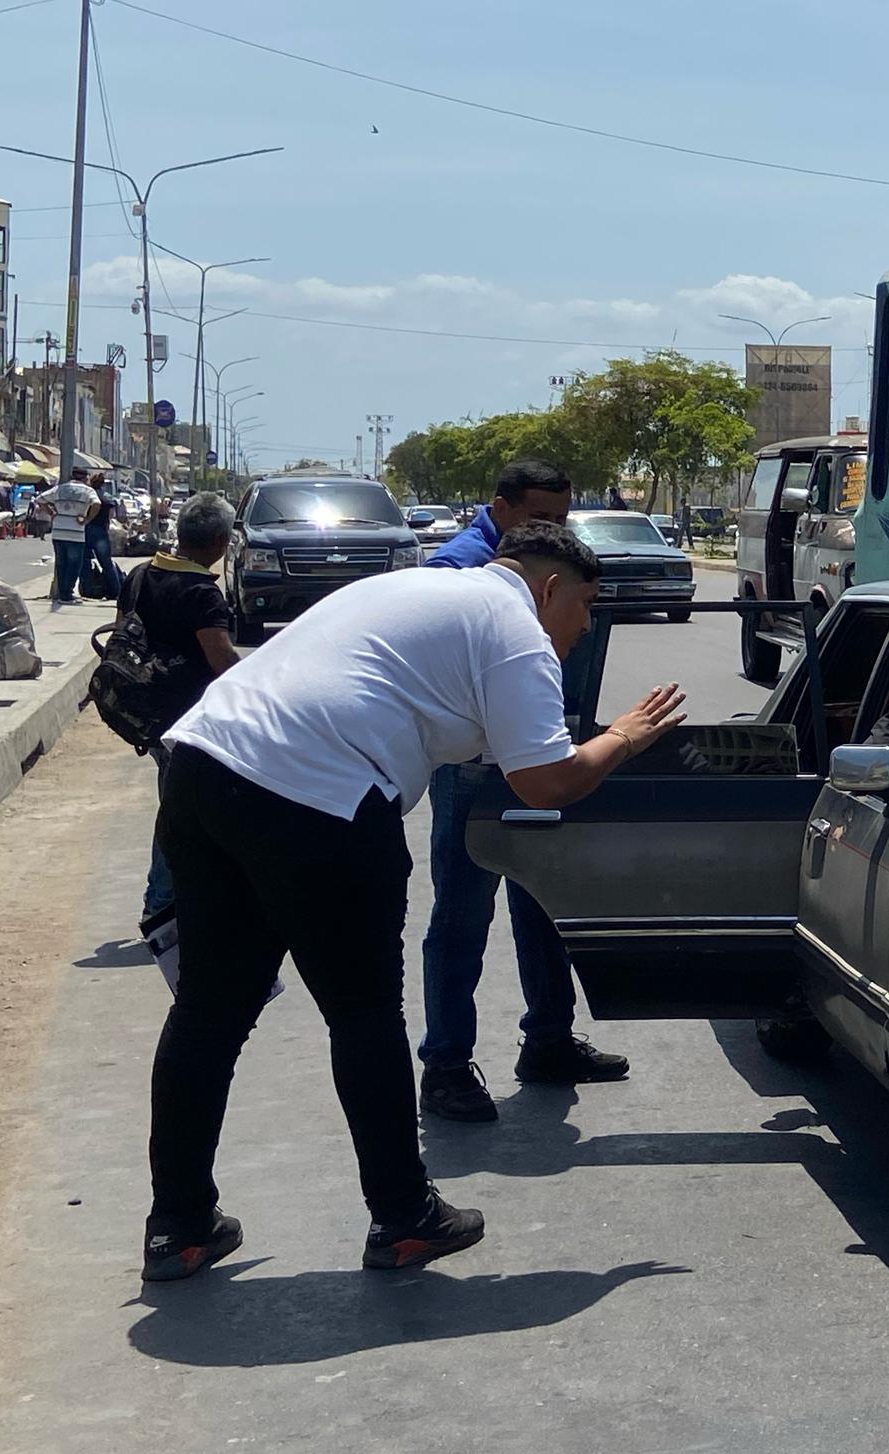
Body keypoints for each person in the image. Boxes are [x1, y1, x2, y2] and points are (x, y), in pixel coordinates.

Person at [142, 521, 685, 1281]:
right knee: (362, 1012)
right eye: (587, 606)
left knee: (209, 1010)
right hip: (317, 792)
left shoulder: (417, 588)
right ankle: (404, 1217)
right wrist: (626, 736)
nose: (586, 625)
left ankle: (179, 1227)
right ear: (550, 587)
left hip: (203, 765)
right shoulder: (517, 629)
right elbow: (547, 780)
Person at [418, 456, 622, 1123]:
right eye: (541, 518)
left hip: (538, 742)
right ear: (501, 510)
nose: (553, 530)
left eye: (562, 518)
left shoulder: (550, 563)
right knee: (462, 913)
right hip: (473, 767)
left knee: (543, 900)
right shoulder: (460, 572)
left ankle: (550, 1041)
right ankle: (446, 1065)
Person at [120, 493, 241, 933]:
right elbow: (221, 659)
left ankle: (184, 900)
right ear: (222, 542)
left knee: (180, 806)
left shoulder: (140, 575)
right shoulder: (202, 593)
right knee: (181, 814)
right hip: (188, 719)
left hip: (147, 710)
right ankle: (162, 906)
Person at [43, 466, 97, 605]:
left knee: (61, 564)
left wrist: (52, 513)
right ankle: (67, 595)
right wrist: (87, 519)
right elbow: (97, 504)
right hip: (76, 533)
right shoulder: (88, 490)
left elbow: (40, 500)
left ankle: (62, 594)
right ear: (85, 478)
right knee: (74, 565)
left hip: (59, 531)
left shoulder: (60, 489)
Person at [83, 472, 118, 599]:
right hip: (101, 531)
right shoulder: (108, 497)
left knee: (85, 561)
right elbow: (111, 515)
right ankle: (115, 591)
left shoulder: (88, 495)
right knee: (106, 562)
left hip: (87, 529)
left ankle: (86, 589)